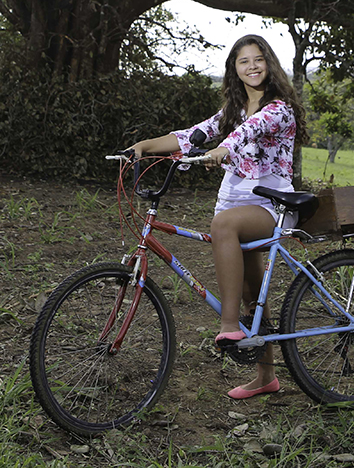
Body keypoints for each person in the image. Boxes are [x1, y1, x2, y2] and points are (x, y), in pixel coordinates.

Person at [130, 34, 308, 400]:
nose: (252, 66)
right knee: (252, 295)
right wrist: (145, 147)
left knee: (223, 226)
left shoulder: (279, 108)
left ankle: (229, 327)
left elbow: (248, 132)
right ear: (235, 69)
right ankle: (266, 377)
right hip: (235, 202)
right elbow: (193, 135)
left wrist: (224, 147)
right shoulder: (233, 110)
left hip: (270, 206)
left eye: (259, 59)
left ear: (269, 63)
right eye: (244, 61)